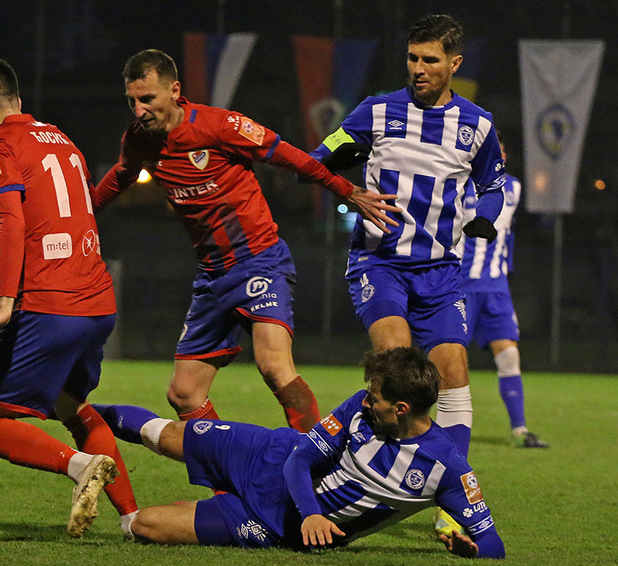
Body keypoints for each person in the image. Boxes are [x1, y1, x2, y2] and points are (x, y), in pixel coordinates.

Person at [92, 49, 400, 433]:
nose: (138, 110)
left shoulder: (219, 126)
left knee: (273, 365)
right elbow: (122, 174)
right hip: (212, 275)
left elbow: (290, 156)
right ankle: (228, 474)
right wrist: (82, 212)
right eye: (132, 101)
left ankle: (315, 462)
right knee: (184, 393)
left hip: (259, 260)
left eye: (147, 99)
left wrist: (346, 190)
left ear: (174, 90)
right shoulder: (139, 140)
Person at [310, 14, 506, 461]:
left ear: (454, 63)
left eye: (430, 60)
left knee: (453, 370)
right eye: (413, 58)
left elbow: (493, 184)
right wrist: (349, 188)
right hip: (380, 264)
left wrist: (485, 218)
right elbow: (317, 160)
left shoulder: (477, 125)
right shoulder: (376, 110)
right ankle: (366, 467)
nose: (418, 68)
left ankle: (451, 489)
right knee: (395, 362)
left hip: (440, 272)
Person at [91, 347, 505, 559]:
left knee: (145, 526)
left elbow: (493, 543)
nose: (365, 402)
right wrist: (312, 513)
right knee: (160, 435)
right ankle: (72, 410)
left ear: (400, 409)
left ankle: (207, 507)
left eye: (375, 398)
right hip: (268, 455)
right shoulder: (359, 408)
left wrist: (471, 550)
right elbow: (300, 460)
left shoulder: (446, 469)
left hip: (272, 523)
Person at [0, 57, 139, 538]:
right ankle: (133, 519)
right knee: (71, 404)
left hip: (48, 303)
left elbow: (11, 220)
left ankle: (79, 467)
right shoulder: (63, 140)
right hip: (98, 302)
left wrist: (4, 302)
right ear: (17, 97)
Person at [459, 134, 548, 448]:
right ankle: (418, 424)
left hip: (496, 288)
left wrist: (506, 268)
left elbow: (507, 234)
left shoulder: (514, 187)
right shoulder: (456, 182)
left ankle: (520, 430)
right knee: (448, 358)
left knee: (509, 356)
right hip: (460, 285)